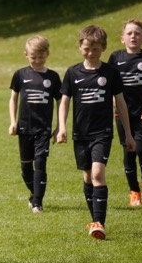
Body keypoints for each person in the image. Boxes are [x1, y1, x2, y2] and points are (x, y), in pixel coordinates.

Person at [56, 25, 135, 240]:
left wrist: (128, 134)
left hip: (103, 132)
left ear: (104, 48)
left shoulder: (110, 73)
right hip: (81, 134)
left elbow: (121, 103)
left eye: (96, 49)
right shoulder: (73, 72)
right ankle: (95, 221)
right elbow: (64, 101)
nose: (91, 53)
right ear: (80, 47)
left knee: (98, 173)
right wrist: (62, 127)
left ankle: (99, 223)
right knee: (87, 176)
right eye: (87, 48)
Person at [107, 19, 142, 206]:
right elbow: (109, 83)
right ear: (122, 38)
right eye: (129, 33)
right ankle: (134, 191)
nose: (133, 36)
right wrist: (112, 99)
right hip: (122, 114)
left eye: (137, 33)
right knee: (129, 151)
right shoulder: (115, 57)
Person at [8, 35, 62, 213]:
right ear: (26, 54)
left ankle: (37, 202)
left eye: (41, 57)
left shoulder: (53, 77)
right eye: (33, 57)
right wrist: (13, 122)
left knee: (40, 162)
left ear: (47, 54)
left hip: (43, 129)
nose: (37, 60)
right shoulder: (20, 75)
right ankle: (34, 193)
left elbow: (60, 101)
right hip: (24, 129)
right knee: (25, 168)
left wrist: (60, 126)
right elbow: (13, 99)